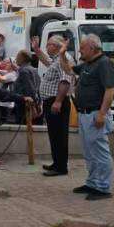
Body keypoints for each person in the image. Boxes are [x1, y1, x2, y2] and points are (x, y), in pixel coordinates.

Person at [65, 34, 114, 200]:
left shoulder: (104, 63)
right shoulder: (88, 63)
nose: (80, 50)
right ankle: (93, 182)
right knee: (89, 152)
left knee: (100, 151)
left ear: (92, 48)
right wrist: (61, 54)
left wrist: (101, 113)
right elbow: (68, 70)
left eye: (82, 47)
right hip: (85, 113)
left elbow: (110, 90)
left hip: (95, 114)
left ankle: (103, 187)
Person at [32, 35, 73, 177]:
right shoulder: (56, 59)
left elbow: (65, 81)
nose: (47, 47)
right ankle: (57, 163)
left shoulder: (63, 58)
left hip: (57, 102)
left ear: (56, 46)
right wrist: (37, 50)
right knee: (54, 135)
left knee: (59, 135)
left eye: (48, 44)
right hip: (51, 101)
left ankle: (61, 167)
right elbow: (48, 62)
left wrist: (58, 101)